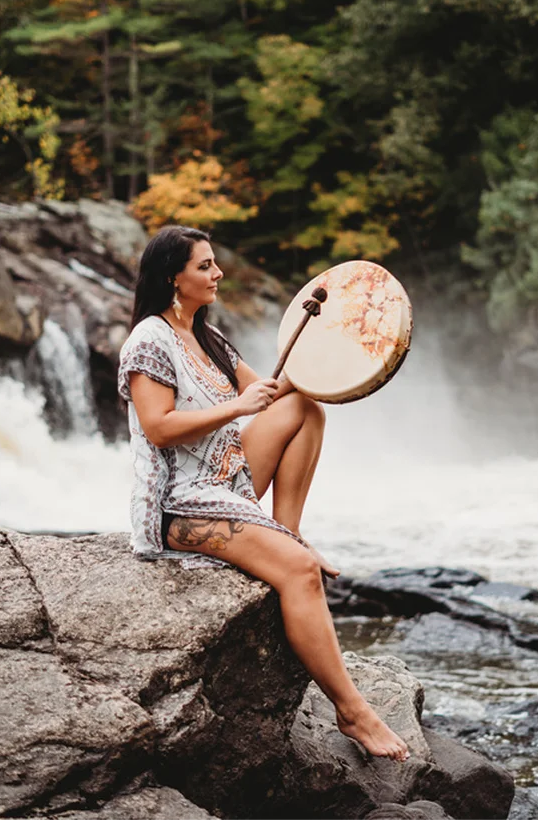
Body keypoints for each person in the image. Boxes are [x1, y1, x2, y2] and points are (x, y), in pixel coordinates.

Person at [118, 225, 410, 762]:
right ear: (172, 278)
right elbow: (158, 427)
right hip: (178, 503)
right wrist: (236, 407)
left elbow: (279, 395)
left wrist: (342, 336)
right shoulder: (148, 341)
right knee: (300, 572)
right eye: (204, 266)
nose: (217, 274)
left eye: (214, 263)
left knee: (304, 409)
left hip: (225, 480)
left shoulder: (209, 338)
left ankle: (288, 529)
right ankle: (352, 711)